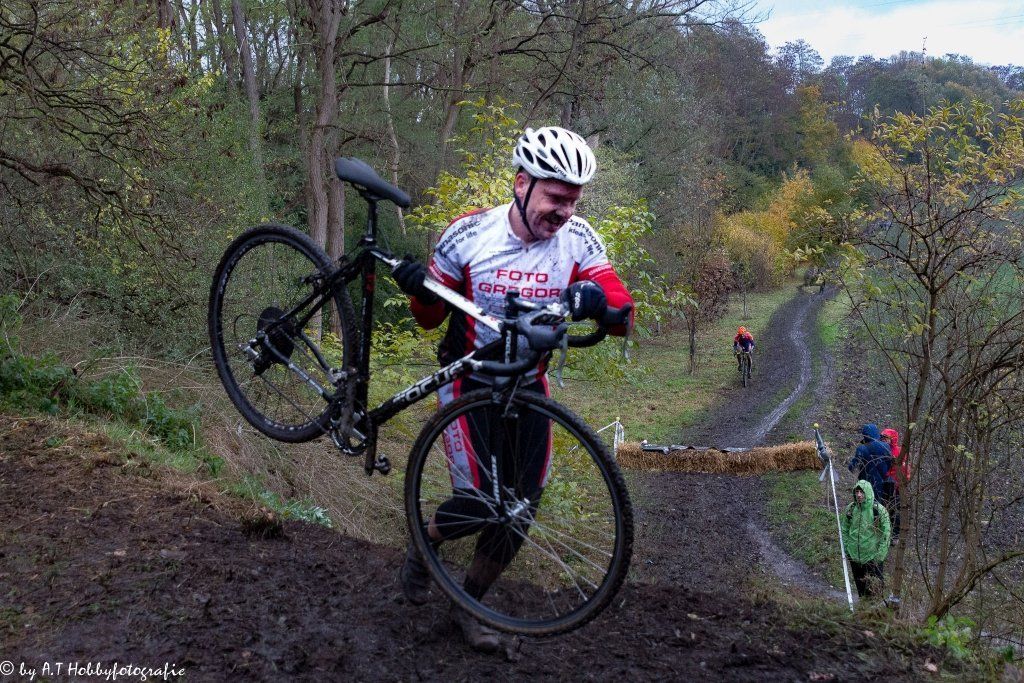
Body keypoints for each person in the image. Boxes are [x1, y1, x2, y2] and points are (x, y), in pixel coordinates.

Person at [391, 126, 633, 652]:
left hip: (527, 384)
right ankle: (425, 540)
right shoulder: (468, 234)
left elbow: (622, 312)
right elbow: (428, 318)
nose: (564, 211)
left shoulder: (579, 239)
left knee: (521, 509)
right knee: (480, 502)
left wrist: (601, 304)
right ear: (522, 184)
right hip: (468, 379)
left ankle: (468, 604)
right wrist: (420, 290)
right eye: (556, 198)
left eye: (573, 200)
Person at [840, 480, 892, 599]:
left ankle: (876, 610)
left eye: (862, 492)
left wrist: (879, 556)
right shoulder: (851, 508)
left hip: (872, 558)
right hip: (854, 557)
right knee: (861, 591)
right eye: (857, 491)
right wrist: (847, 548)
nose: (859, 495)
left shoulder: (878, 510)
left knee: (875, 592)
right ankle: (863, 608)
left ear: (867, 492)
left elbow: (886, 534)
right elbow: (844, 529)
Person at [847, 423, 894, 504]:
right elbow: (890, 463)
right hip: (882, 482)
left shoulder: (861, 448)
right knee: (879, 506)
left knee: (866, 504)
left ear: (864, 435)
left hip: (865, 482)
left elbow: (853, 467)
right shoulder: (886, 446)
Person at [880, 428, 910, 542]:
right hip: (885, 484)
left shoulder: (899, 451)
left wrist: (902, 482)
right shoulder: (881, 449)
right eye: (882, 437)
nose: (883, 440)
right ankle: (884, 532)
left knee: (896, 509)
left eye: (886, 438)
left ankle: (895, 535)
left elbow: (905, 469)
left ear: (892, 439)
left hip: (897, 485)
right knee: (884, 508)